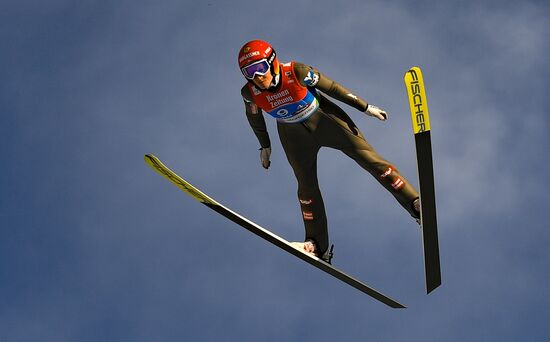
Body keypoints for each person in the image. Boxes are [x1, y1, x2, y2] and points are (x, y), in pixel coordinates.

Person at [238, 39, 420, 263]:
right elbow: (254, 117)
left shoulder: (296, 71)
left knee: (369, 159)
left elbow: (332, 87)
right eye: (249, 72)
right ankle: (316, 245)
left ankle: (415, 203)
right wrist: (264, 145)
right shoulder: (250, 92)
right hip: (293, 135)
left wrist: (364, 107)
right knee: (306, 187)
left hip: (325, 121)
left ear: (272, 62)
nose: (257, 77)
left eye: (260, 68)